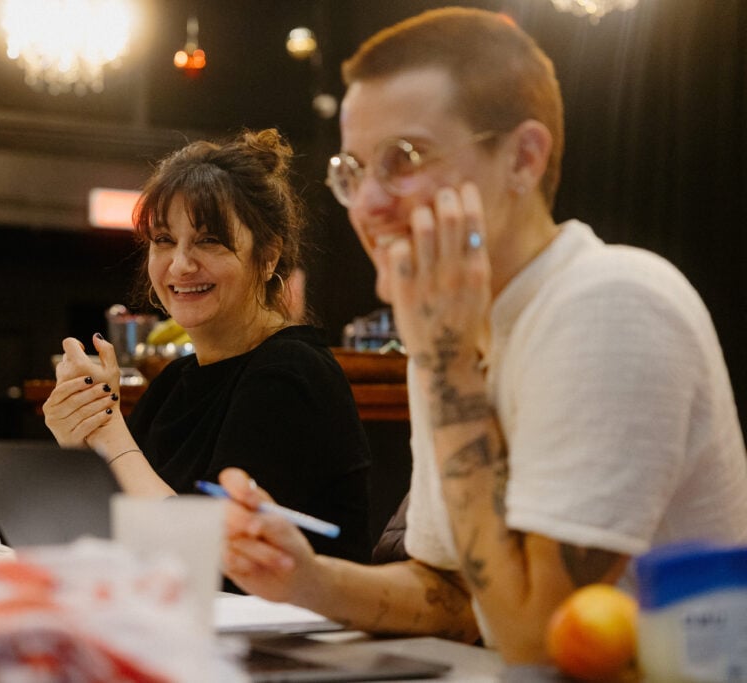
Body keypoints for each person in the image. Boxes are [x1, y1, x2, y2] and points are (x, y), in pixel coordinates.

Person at [218, 7, 747, 665]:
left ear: (523, 158)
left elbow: (537, 638)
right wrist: (309, 578)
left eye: (403, 159)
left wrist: (444, 362)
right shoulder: (452, 330)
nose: (369, 204)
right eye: (353, 171)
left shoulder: (611, 301)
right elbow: (461, 593)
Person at [42, 128, 372, 565]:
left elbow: (205, 555)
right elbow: (112, 544)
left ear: (269, 255)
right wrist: (79, 441)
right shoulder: (173, 382)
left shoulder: (291, 373)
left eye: (208, 240)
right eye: (163, 241)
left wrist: (108, 433)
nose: (180, 264)